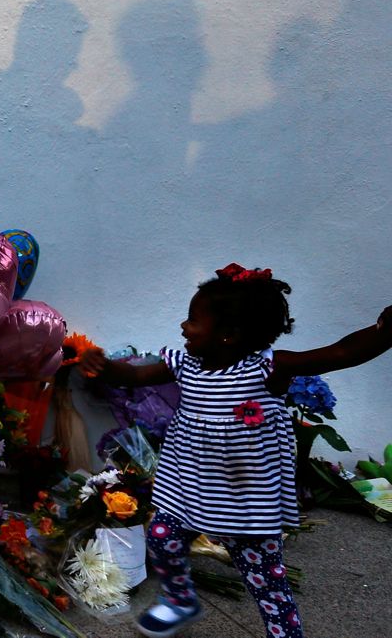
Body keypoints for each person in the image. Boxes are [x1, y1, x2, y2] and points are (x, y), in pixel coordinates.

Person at [80, 263, 392, 638]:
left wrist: (383, 333)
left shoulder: (267, 370)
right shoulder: (183, 365)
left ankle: (285, 633)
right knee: (162, 539)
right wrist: (104, 367)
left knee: (267, 583)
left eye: (193, 320)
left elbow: (340, 353)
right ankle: (180, 600)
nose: (183, 326)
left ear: (228, 335)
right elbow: (133, 375)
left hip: (246, 503)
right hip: (189, 488)